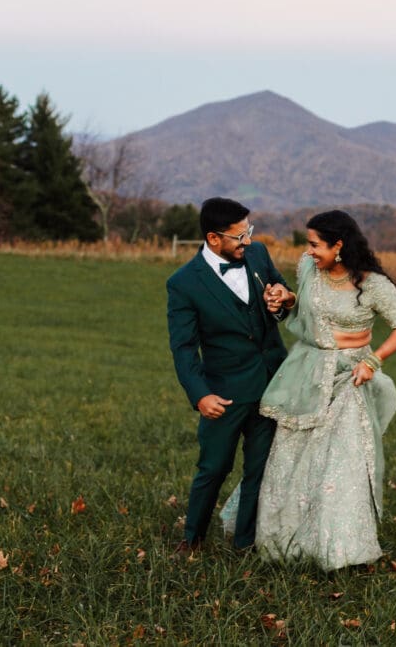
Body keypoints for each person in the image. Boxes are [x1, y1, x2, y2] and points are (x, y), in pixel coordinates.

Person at [223, 210, 396, 571]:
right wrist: (287, 300)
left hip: (349, 379)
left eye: (315, 244)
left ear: (339, 246)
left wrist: (373, 361)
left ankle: (338, 548)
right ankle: (283, 542)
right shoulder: (308, 269)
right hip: (306, 373)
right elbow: (308, 307)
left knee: (341, 463)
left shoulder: (372, 286)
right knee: (290, 457)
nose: (308, 251)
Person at [166, 198, 296, 556]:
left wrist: (283, 299)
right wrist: (200, 394)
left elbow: (283, 295)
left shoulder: (258, 256)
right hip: (224, 393)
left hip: (272, 383)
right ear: (213, 238)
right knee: (214, 467)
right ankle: (191, 539)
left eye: (249, 232)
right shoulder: (183, 284)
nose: (248, 242)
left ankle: (245, 544)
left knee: (260, 468)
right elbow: (184, 348)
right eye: (240, 236)